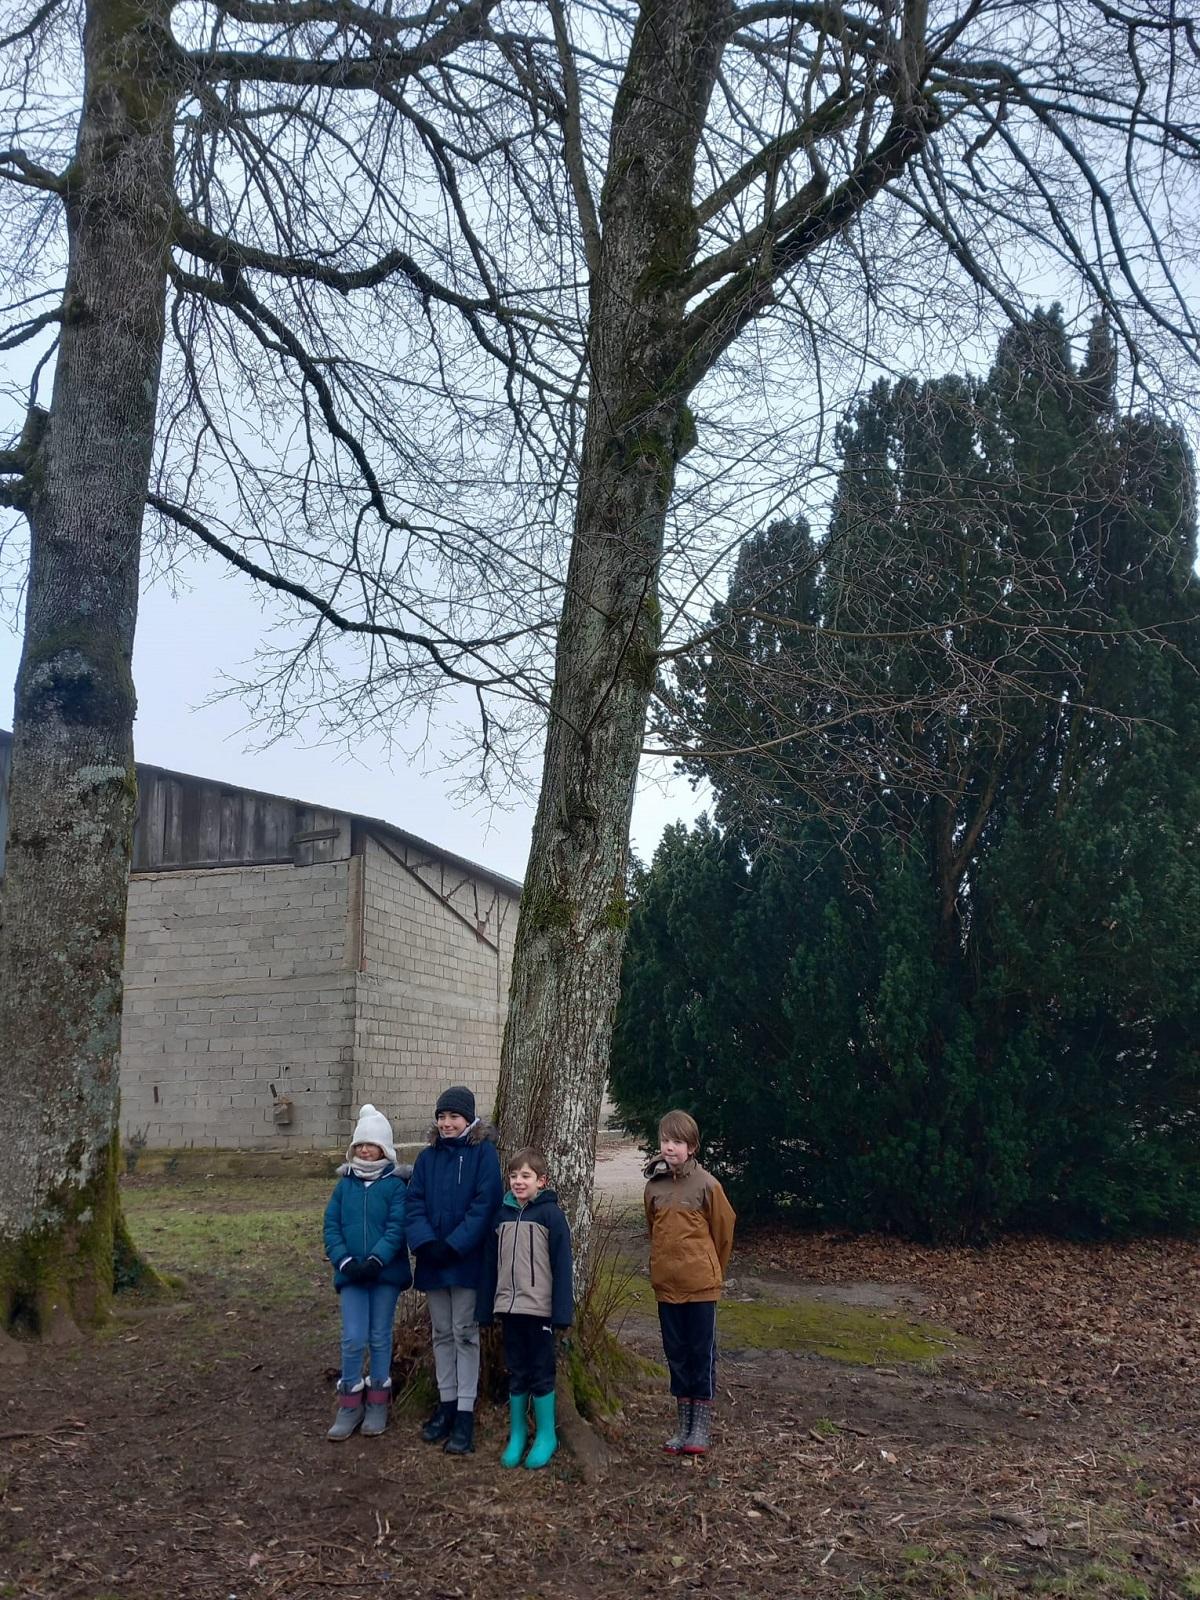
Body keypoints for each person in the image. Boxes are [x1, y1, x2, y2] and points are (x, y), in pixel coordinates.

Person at [405, 1084, 503, 1455]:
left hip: (465, 1262)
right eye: (442, 1117)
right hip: (433, 1260)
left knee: (464, 1333)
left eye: (454, 1117)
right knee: (441, 1333)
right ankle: (445, 1405)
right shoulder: (429, 1159)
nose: (447, 1123)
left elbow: (485, 1204)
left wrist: (455, 1244)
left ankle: (464, 1412)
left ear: (468, 1119)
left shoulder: (482, 1155)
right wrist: (426, 1243)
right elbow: (414, 1202)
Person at [643, 1108, 736, 1457]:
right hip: (667, 1286)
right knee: (676, 1353)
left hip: (700, 1287)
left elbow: (723, 1231)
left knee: (701, 1352)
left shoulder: (708, 1185)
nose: (670, 1148)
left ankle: (701, 1426)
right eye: (665, 1141)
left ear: (692, 1147)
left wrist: (711, 1270)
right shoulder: (654, 1186)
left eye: (678, 1142)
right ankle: (682, 1423)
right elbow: (654, 1229)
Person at [476, 1147, 573, 1470]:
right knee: (516, 1369)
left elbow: (562, 1265)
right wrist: (485, 1308)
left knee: (541, 1370)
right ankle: (518, 1432)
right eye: (514, 1176)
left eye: (526, 1176)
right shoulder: (501, 1217)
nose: (518, 1182)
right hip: (509, 1308)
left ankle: (546, 1434)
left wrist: (561, 1312)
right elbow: (489, 1265)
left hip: (540, 1310)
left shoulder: (550, 1215)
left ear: (541, 1181)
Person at [322, 1104, 411, 1440]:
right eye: (359, 1144)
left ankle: (377, 1402)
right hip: (352, 1275)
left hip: (383, 1273)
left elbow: (396, 1227)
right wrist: (344, 1260)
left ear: (384, 1149)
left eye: (370, 1144)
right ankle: (349, 1403)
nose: (364, 1150)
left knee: (379, 1336)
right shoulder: (345, 1185)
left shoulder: (394, 1186)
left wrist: (376, 1259)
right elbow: (331, 1225)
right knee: (353, 1337)